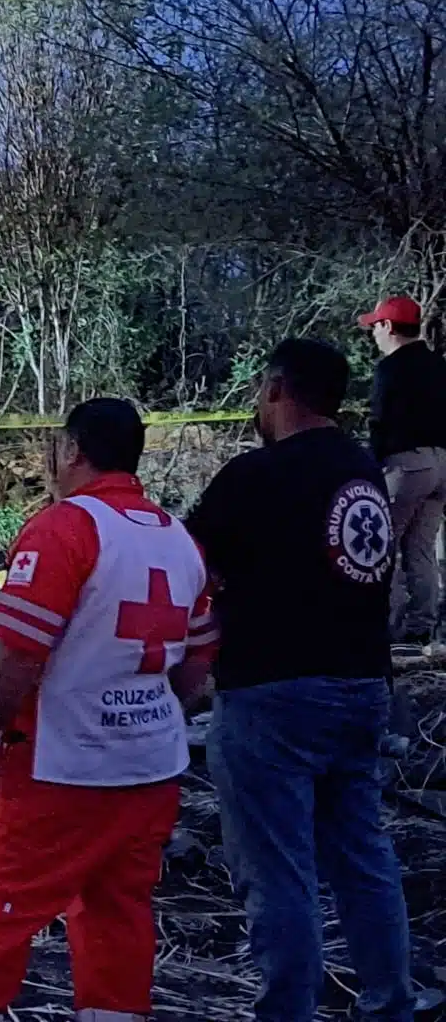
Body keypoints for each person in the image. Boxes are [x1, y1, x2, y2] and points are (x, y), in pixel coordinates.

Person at [0, 399, 214, 1022]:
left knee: (0, 902)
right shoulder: (179, 539)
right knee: (119, 910)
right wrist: (155, 715)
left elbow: (20, 652)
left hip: (64, 763)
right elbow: (197, 660)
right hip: (152, 766)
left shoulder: (65, 529)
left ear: (72, 450)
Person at [187, 338, 411, 1021]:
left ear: (278, 388)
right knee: (363, 857)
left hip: (273, 692)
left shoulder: (257, 475)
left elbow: (187, 561)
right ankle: (389, 1003)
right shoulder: (363, 471)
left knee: (279, 871)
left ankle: (286, 1011)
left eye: (260, 391)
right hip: (362, 687)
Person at [359, 294, 446, 640]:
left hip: (406, 465)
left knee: (383, 545)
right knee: (421, 548)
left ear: (388, 326)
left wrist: (370, 465)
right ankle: (423, 626)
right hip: (442, 464)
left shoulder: (390, 369)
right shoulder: (439, 365)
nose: (373, 334)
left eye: (375, 326)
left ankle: (389, 627)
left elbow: (380, 422)